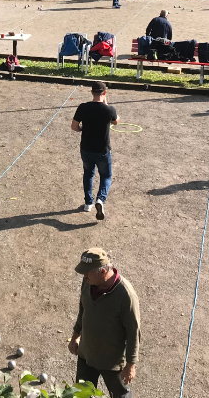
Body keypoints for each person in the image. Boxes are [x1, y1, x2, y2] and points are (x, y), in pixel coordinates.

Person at [69, 248, 140, 398]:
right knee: (81, 394)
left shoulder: (125, 295)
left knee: (120, 395)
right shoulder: (88, 281)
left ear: (102, 272)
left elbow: (133, 331)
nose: (84, 275)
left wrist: (130, 364)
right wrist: (76, 334)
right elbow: (83, 308)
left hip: (111, 361)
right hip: (86, 353)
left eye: (87, 272)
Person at [72, 82, 119, 220]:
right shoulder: (109, 110)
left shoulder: (83, 107)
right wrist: (106, 102)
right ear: (104, 93)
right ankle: (100, 199)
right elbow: (116, 121)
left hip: (86, 148)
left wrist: (83, 129)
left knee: (88, 173)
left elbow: (74, 127)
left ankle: (88, 203)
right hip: (103, 150)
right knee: (106, 176)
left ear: (91, 92)